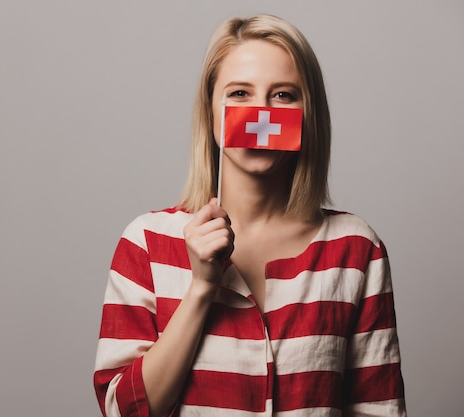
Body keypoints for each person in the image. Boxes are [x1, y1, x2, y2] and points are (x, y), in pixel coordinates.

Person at [94, 14, 406, 417]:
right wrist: (202, 289)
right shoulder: (146, 242)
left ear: (309, 114)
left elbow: (379, 409)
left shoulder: (356, 249)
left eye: (283, 95)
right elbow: (123, 410)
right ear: (210, 112)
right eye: (240, 93)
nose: (261, 113)